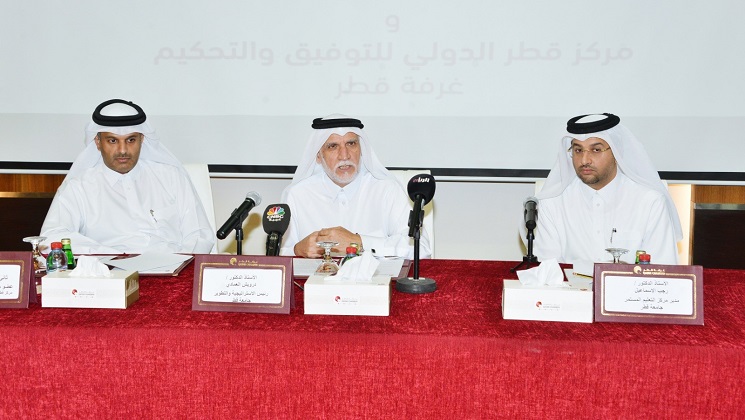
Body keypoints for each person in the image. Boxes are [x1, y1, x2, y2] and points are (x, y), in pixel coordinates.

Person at [40, 99, 215, 254]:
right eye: (112, 140)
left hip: (173, 271)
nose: (123, 150)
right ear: (98, 142)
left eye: (131, 140)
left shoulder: (171, 177)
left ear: (142, 139)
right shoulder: (79, 187)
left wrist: (182, 264)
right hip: (110, 273)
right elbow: (51, 238)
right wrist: (108, 256)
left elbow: (200, 234)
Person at [522, 113, 682, 265]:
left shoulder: (649, 202)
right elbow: (547, 270)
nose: (584, 160)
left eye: (596, 150)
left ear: (616, 152)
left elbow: (663, 269)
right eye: (578, 150)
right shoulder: (552, 203)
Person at [280, 114, 431, 259]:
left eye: (351, 144)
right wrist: (297, 250)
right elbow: (278, 257)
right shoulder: (297, 195)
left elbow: (421, 250)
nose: (344, 155)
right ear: (318, 156)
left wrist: (359, 242)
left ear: (361, 149)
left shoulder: (386, 189)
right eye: (333, 146)